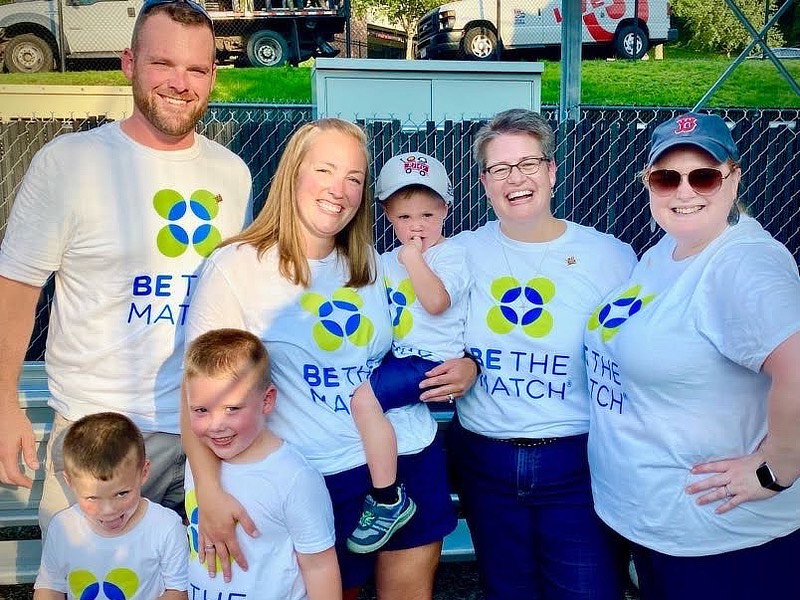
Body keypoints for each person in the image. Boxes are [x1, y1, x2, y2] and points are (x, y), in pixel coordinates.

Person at [183, 118, 476, 599]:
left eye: (355, 179)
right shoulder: (238, 268)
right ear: (293, 173)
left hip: (406, 456)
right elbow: (195, 392)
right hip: (314, 475)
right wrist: (208, 492)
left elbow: (436, 327)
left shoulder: (373, 263)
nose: (339, 190)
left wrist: (470, 365)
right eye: (325, 170)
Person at [0, 0, 252, 533]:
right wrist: (3, 404)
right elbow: (16, 287)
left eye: (197, 69)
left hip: (201, 433)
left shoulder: (231, 173)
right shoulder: (69, 163)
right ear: (128, 62)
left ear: (212, 77)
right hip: (97, 437)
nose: (180, 83)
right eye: (163, 63)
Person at [584, 112, 800, 599]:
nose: (684, 192)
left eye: (703, 175)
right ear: (648, 183)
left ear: (733, 177)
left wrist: (777, 468)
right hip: (661, 527)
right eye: (666, 178)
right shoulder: (668, 250)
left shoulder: (743, 263)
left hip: (724, 543)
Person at [447, 108, 636, 600]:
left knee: (588, 589)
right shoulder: (459, 253)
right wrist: (465, 360)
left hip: (576, 461)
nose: (516, 180)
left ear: (552, 171)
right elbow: (428, 328)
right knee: (506, 590)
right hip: (486, 459)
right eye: (500, 169)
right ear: (484, 181)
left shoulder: (610, 257)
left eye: (528, 164)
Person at [346, 153, 470, 554]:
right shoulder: (385, 261)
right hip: (399, 356)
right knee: (366, 398)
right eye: (404, 218)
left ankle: (387, 499)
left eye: (427, 216)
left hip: (430, 361)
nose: (416, 227)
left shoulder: (449, 255)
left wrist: (415, 259)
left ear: (445, 210)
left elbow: (435, 302)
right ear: (386, 215)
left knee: (364, 400)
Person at [184, 328, 341, 600]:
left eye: (232, 408)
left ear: (267, 400)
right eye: (201, 410)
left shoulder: (294, 478)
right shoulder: (198, 463)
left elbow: (319, 566)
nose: (216, 425)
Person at [33, 412, 188, 600]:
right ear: (69, 482)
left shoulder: (166, 526)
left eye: (122, 493)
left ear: (144, 472)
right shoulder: (63, 526)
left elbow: (178, 590)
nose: (108, 511)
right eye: (92, 498)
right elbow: (50, 588)